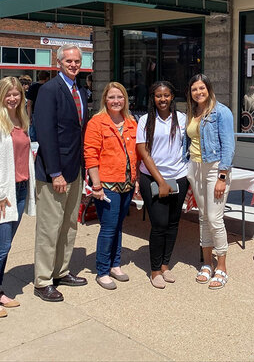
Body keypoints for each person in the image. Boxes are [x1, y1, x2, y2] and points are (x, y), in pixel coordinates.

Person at [32, 44, 88, 302]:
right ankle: (43, 280)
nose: (74, 64)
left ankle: (61, 271)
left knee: (69, 225)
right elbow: (46, 134)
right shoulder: (49, 90)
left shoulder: (80, 90)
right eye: (69, 61)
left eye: (77, 61)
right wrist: (55, 172)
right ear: (59, 63)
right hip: (54, 173)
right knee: (49, 227)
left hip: (75, 169)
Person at [0, 77, 36, 318]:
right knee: (1, 247)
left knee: (7, 245)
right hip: (3, 193)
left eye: (16, 94)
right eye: (8, 94)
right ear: (0, 96)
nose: (13, 98)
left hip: (21, 190)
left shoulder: (20, 120)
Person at [84, 82, 138, 290]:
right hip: (106, 184)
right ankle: (103, 270)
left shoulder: (131, 122)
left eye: (120, 97)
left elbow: (137, 154)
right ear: (104, 100)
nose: (116, 101)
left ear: (125, 99)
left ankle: (116, 264)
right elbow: (90, 154)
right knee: (108, 227)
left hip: (127, 182)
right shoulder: (97, 123)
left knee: (119, 225)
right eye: (111, 98)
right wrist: (96, 184)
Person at [136, 81, 189, 289]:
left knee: (173, 223)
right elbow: (143, 151)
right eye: (158, 96)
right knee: (159, 225)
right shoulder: (145, 120)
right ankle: (155, 270)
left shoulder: (182, 119)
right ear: (153, 98)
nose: (163, 99)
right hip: (153, 178)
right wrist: (160, 181)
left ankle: (166, 265)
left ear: (172, 97)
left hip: (179, 177)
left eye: (166, 95)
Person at [184, 74, 235, 290]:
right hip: (195, 167)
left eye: (202, 88)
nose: (198, 92)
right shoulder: (192, 112)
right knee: (203, 217)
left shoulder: (221, 111)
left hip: (215, 167)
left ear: (209, 89)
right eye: (194, 89)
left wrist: (222, 177)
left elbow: (229, 145)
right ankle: (206, 264)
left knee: (215, 218)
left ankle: (221, 267)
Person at [26, 70, 50, 141]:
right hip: (47, 114)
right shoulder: (49, 87)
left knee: (33, 135)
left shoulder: (32, 87)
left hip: (35, 113)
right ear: (47, 78)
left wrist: (29, 117)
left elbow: (29, 104)